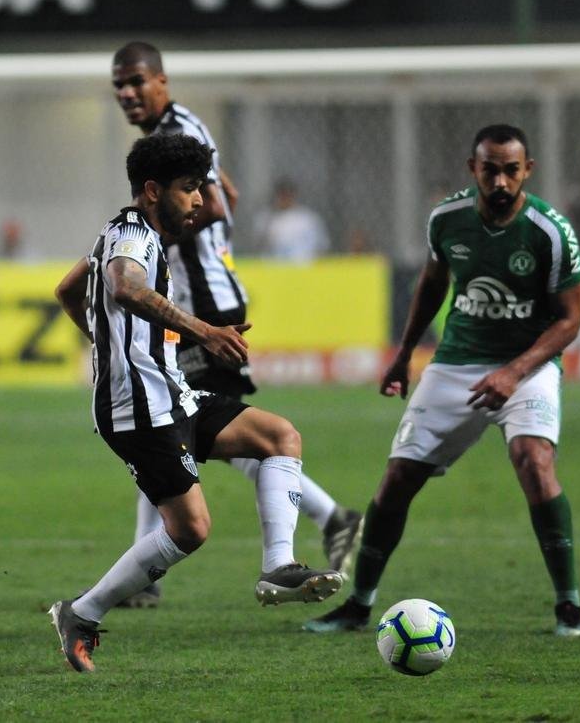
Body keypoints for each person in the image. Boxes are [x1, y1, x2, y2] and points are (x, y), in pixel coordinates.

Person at [49, 133, 344, 672]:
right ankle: (81, 614)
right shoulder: (134, 237)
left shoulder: (122, 231)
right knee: (190, 530)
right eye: (189, 190)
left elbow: (69, 289)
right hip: (136, 410)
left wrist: (107, 344)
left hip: (172, 393)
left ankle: (278, 567)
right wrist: (204, 330)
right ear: (154, 190)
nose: (200, 202)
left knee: (279, 437)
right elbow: (124, 287)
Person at [304, 124, 580, 637]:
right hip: (456, 362)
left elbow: (570, 320)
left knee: (534, 461)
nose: (500, 181)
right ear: (472, 169)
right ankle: (358, 605)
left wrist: (514, 371)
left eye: (510, 170)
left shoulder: (550, 232)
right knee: (396, 481)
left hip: (526, 366)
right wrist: (404, 355)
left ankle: (569, 607)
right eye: (490, 169)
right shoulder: (447, 219)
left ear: (527, 170)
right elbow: (433, 283)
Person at [110, 41, 361, 608]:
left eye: (136, 82)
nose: (127, 94)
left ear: (162, 81)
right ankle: (330, 516)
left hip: (203, 306)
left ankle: (326, 520)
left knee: (171, 424)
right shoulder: (177, 131)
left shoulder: (176, 129)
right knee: (186, 426)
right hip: (202, 300)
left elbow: (218, 206)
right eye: (119, 86)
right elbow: (229, 191)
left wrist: (149, 241)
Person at [251, 178, 331, 262]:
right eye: (282, 195)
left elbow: (321, 247)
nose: (285, 198)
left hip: (303, 267)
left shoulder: (308, 219)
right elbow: (258, 247)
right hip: (274, 268)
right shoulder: (266, 218)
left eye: (288, 194)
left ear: (294, 195)